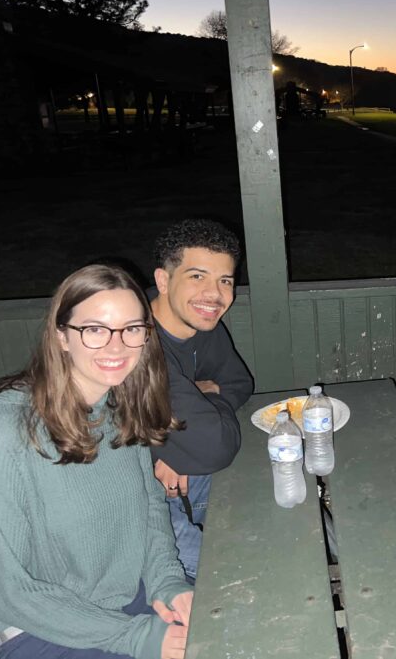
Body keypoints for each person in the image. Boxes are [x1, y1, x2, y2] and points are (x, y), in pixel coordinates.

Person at [0, 264, 193, 659]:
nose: (116, 346)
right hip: (31, 627)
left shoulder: (120, 409)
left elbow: (151, 506)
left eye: (132, 328)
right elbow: (8, 592)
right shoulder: (2, 434)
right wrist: (137, 637)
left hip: (122, 598)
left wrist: (168, 582)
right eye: (95, 329)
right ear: (62, 337)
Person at [149, 219, 254, 582]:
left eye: (225, 280)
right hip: (130, 505)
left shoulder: (200, 325)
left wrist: (204, 403)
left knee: (277, 496)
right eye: (197, 276)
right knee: (235, 580)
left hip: (186, 475)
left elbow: (239, 383)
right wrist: (173, 447)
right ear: (163, 281)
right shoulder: (137, 345)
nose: (215, 294)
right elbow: (213, 446)